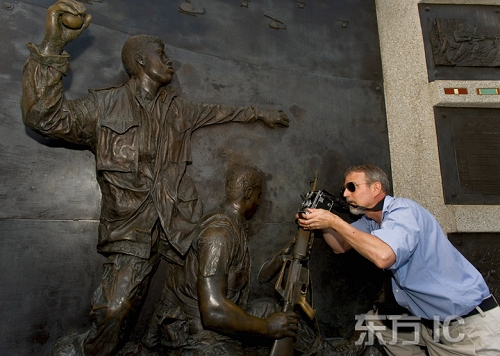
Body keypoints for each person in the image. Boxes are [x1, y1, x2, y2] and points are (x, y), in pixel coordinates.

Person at [20, 1, 289, 355]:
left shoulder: (178, 109)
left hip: (180, 227)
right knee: (115, 310)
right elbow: (42, 117)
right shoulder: (104, 107)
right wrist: (54, 46)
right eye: (161, 54)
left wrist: (260, 113)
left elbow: (221, 111)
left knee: (211, 293)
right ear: (140, 62)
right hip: (132, 232)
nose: (170, 61)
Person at [296, 164, 500, 356]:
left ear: (376, 188)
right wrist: (317, 220)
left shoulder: (403, 211)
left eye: (352, 187)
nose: (346, 194)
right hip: (431, 325)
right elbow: (340, 246)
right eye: (344, 189)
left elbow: (384, 256)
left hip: (469, 328)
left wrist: (333, 221)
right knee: (376, 322)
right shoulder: (372, 222)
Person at [140, 164, 298, 355]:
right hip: (195, 333)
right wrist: (266, 326)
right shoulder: (219, 235)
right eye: (258, 195)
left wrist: (283, 257)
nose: (258, 201)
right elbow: (212, 313)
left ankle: (324, 349)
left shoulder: (234, 224)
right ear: (248, 193)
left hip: (217, 318)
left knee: (275, 310)